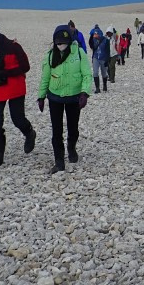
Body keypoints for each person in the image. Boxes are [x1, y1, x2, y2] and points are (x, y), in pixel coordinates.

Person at [0, 24, 35, 167]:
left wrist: (7, 72)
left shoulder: (13, 47)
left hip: (15, 87)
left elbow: (25, 67)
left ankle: (29, 133)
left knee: (17, 118)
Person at [37, 25, 92, 174]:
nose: (60, 45)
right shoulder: (50, 55)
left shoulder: (79, 53)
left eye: (63, 42)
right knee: (56, 131)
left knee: (73, 128)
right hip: (55, 98)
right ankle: (59, 162)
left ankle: (71, 147)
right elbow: (45, 77)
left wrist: (84, 93)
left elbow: (87, 75)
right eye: (58, 43)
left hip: (74, 98)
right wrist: (41, 96)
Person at [88, 28, 110, 93]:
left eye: (96, 34)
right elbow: (91, 45)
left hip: (103, 58)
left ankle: (105, 85)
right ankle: (97, 88)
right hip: (95, 57)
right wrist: (91, 37)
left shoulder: (106, 40)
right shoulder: (93, 40)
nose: (95, 35)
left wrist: (107, 60)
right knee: (95, 72)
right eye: (94, 34)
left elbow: (108, 51)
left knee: (104, 73)